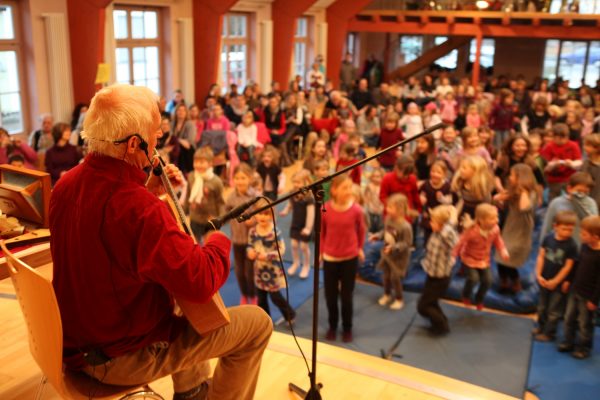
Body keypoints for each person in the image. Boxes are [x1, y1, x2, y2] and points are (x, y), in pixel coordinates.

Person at [50, 84, 272, 400]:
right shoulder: (138, 208)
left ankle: (192, 391)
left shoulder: (66, 185)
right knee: (256, 324)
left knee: (173, 294)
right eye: (156, 136)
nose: (158, 143)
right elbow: (201, 280)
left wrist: (149, 191)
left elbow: (109, 237)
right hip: (119, 359)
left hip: (76, 345)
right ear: (133, 144)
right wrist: (218, 240)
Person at [321, 174, 366, 343]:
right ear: (334, 190)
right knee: (330, 296)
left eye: (350, 187)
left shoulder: (356, 210)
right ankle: (333, 326)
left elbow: (361, 230)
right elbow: (322, 232)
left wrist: (360, 248)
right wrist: (321, 251)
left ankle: (347, 328)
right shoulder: (325, 209)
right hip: (330, 258)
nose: (349, 191)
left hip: (349, 258)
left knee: (347, 296)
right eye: (344, 188)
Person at [247, 199, 296, 323]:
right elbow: (250, 245)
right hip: (259, 270)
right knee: (261, 299)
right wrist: (250, 252)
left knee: (275, 297)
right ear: (255, 215)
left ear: (272, 215)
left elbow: (282, 250)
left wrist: (268, 255)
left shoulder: (275, 232)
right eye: (259, 213)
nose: (262, 216)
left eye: (266, 214)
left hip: (272, 271)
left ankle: (290, 314)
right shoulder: (252, 231)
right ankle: (266, 321)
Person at [454, 203, 509, 310]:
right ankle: (466, 296)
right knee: (473, 278)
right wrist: (453, 256)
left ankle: (479, 299)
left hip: (484, 260)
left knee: (488, 281)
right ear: (481, 220)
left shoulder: (495, 229)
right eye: (492, 218)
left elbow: (498, 241)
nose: (497, 220)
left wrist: (503, 250)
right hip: (469, 258)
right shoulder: (472, 231)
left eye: (496, 217)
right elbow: (459, 242)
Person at [559, 215, 600, 359]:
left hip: (587, 296)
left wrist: (594, 300)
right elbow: (576, 265)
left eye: (584, 234)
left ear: (595, 236)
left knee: (585, 323)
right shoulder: (583, 247)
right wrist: (568, 280)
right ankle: (569, 341)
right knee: (569, 317)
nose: (580, 236)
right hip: (575, 290)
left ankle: (584, 347)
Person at [533, 211, 578, 342]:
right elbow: (541, 256)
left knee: (554, 309)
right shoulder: (548, 238)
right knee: (541, 306)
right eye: (564, 229)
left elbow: (568, 266)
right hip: (544, 279)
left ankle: (549, 333)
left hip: (557, 284)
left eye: (571, 229)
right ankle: (541, 327)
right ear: (555, 226)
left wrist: (556, 281)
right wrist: (538, 274)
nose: (568, 232)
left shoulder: (571, 245)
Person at [493, 163, 537, 293]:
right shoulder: (512, 191)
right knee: (501, 255)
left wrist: (522, 190)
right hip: (510, 226)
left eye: (512, 175)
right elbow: (496, 199)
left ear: (520, 177)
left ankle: (515, 281)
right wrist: (501, 198)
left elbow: (524, 208)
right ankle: (504, 282)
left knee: (510, 256)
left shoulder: (530, 194)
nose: (509, 177)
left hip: (521, 229)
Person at [418, 205, 459, 335]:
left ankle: (441, 325)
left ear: (442, 224)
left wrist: (453, 215)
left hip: (440, 278)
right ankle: (440, 322)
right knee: (431, 302)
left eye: (433, 221)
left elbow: (450, 231)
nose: (430, 224)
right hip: (433, 274)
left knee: (423, 306)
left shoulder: (445, 234)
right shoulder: (437, 232)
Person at [371, 193, 413, 311]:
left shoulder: (405, 227)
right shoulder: (388, 219)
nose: (387, 209)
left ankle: (399, 299)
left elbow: (407, 243)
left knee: (395, 278)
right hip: (387, 254)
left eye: (390, 207)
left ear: (400, 210)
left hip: (399, 257)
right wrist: (377, 236)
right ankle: (387, 294)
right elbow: (385, 232)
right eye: (387, 206)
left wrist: (394, 248)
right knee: (386, 276)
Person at [226, 163, 257, 305]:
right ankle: (244, 294)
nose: (240, 181)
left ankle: (253, 294)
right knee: (239, 272)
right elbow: (226, 213)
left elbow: (266, 214)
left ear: (250, 179)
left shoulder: (255, 197)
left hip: (252, 241)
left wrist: (254, 220)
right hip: (237, 240)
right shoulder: (231, 197)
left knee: (250, 273)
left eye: (243, 178)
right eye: (237, 178)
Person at [183, 147, 225, 243]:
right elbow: (188, 196)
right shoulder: (191, 176)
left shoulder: (216, 181)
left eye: (201, 162)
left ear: (210, 163)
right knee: (195, 243)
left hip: (210, 219)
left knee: (209, 243)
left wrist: (220, 219)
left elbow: (220, 202)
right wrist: (184, 213)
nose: (198, 165)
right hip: (195, 218)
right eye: (196, 162)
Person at [280, 169, 315, 280]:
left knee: (304, 246)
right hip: (295, 223)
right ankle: (296, 263)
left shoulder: (309, 197)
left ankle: (306, 265)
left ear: (306, 182)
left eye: (299, 182)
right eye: (294, 182)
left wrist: (308, 228)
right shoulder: (293, 193)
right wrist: (286, 211)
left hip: (305, 225)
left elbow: (311, 214)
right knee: (294, 245)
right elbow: (289, 205)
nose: (296, 185)